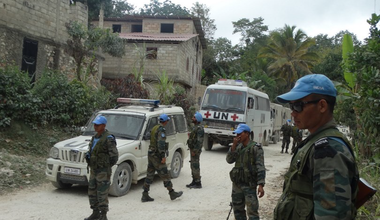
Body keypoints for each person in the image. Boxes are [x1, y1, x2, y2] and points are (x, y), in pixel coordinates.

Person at [273, 74, 359, 220]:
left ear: (322, 106)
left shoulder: (329, 151)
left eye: (298, 106)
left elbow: (331, 215)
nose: (293, 112)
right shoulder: (316, 142)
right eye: (291, 106)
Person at [226, 123, 266, 220]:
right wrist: (233, 146)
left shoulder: (256, 148)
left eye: (240, 134)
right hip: (237, 184)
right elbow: (229, 160)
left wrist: (261, 184)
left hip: (249, 185)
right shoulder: (238, 147)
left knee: (252, 212)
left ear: (247, 134)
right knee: (238, 210)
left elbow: (260, 166)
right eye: (236, 134)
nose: (237, 136)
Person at [141, 114, 183, 202]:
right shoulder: (161, 130)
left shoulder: (154, 128)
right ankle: (172, 193)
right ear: (166, 121)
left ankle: (145, 194)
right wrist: (163, 156)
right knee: (165, 174)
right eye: (167, 120)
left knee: (149, 174)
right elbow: (161, 144)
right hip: (157, 155)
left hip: (151, 153)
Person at [84, 115, 119, 220]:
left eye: (98, 125)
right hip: (94, 169)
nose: (95, 126)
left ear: (103, 125)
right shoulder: (95, 137)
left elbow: (114, 156)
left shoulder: (108, 138)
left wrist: (106, 166)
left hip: (103, 170)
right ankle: (95, 212)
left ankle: (103, 215)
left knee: (102, 193)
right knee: (92, 191)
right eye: (94, 124)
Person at [186, 112, 204, 189]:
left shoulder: (199, 129)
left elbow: (199, 141)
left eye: (194, 117)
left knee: (195, 165)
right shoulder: (196, 127)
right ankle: (194, 180)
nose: (192, 118)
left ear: (197, 119)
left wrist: (195, 151)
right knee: (192, 165)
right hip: (192, 149)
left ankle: (198, 183)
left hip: (195, 150)